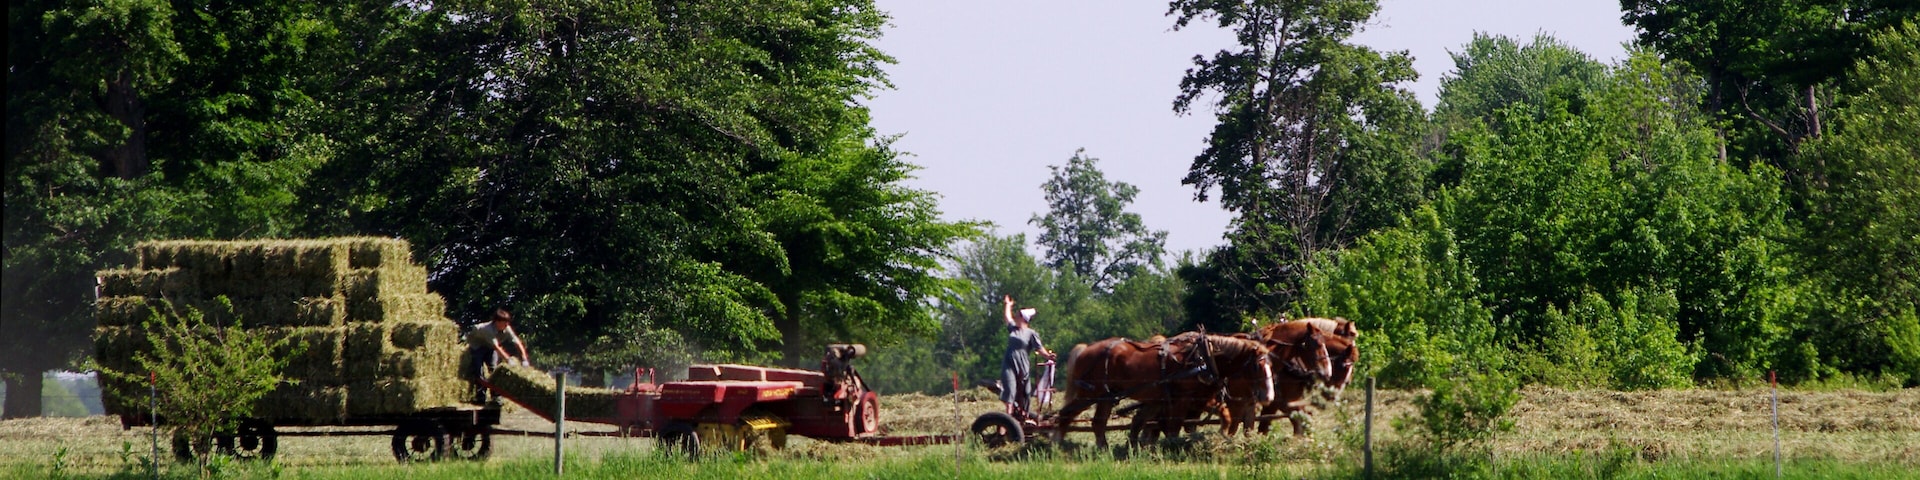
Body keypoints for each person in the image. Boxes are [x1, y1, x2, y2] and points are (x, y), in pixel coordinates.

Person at [1000, 295, 1055, 418]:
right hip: (1009, 363)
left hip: (1022, 365)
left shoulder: (1031, 334)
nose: (1016, 316)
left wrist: (1048, 356)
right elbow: (1007, 317)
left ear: (1024, 319)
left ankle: (1023, 416)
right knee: (1010, 391)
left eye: (1018, 315)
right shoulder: (1013, 329)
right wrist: (1008, 305)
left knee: (1025, 393)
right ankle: (1007, 422)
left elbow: (1039, 348)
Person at [464, 308, 531, 403]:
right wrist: (508, 360)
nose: (507, 325)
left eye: (507, 323)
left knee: (494, 369)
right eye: (504, 323)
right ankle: (480, 397)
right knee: (479, 371)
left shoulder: (506, 327)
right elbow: (497, 348)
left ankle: (496, 396)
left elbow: (517, 343)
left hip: (490, 347)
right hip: (477, 346)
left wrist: (524, 359)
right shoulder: (487, 329)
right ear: (497, 322)